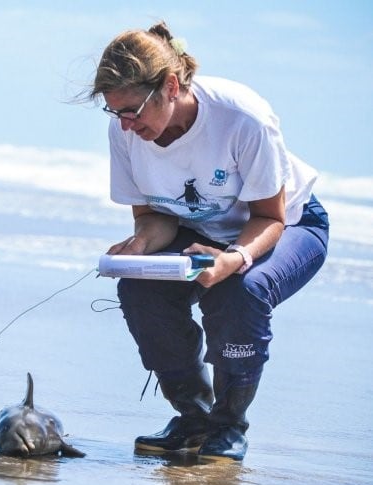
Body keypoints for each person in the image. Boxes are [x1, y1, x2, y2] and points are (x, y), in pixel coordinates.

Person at [87, 21, 329, 461]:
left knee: (239, 290)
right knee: (139, 286)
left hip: (288, 225)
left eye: (133, 111)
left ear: (171, 86)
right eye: (114, 112)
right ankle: (194, 418)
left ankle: (229, 425)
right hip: (199, 231)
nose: (125, 125)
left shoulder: (241, 118)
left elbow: (270, 217)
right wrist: (141, 244)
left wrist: (234, 258)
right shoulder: (125, 133)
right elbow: (155, 217)